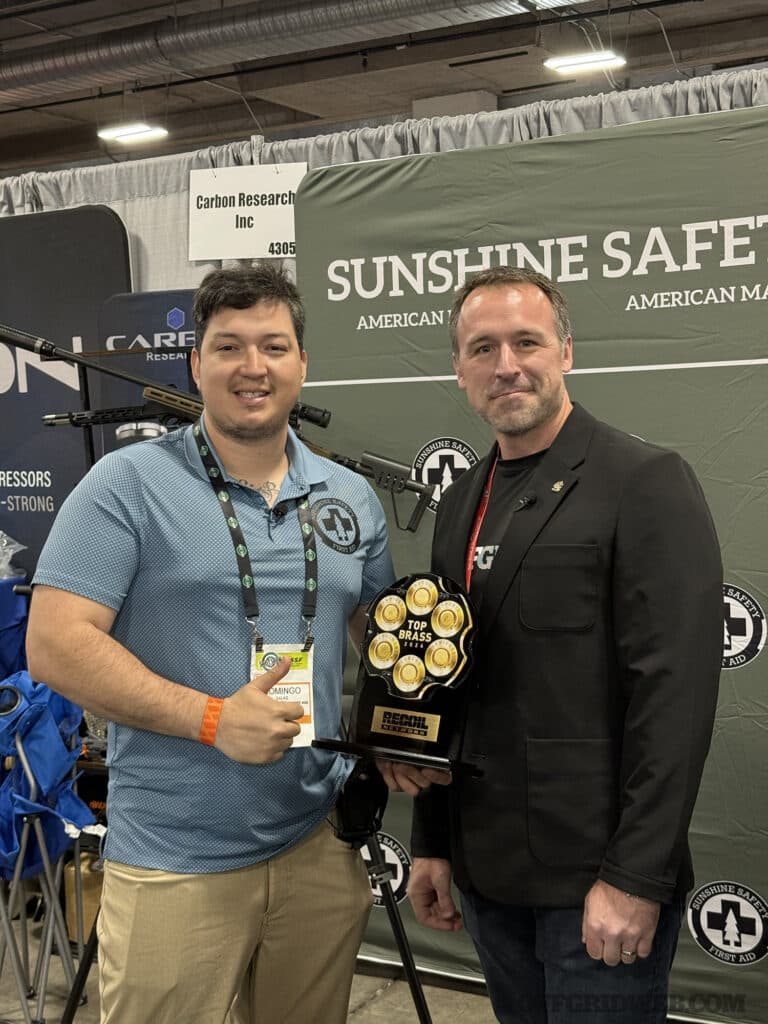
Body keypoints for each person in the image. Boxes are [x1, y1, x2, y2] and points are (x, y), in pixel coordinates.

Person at [26, 264, 395, 1024]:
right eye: (229, 347)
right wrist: (211, 719)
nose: (252, 366)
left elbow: (378, 634)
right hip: (175, 856)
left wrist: (412, 723)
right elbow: (56, 645)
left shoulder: (350, 495)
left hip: (318, 843)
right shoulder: (126, 483)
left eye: (273, 346)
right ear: (197, 365)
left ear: (301, 364)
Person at [380, 267, 723, 1023]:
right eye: (483, 348)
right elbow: (446, 683)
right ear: (460, 370)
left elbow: (675, 698)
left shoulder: (645, 481)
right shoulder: (460, 500)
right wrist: (433, 841)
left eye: (526, 342)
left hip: (596, 886)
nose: (506, 365)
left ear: (566, 351)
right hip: (488, 875)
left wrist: (635, 877)